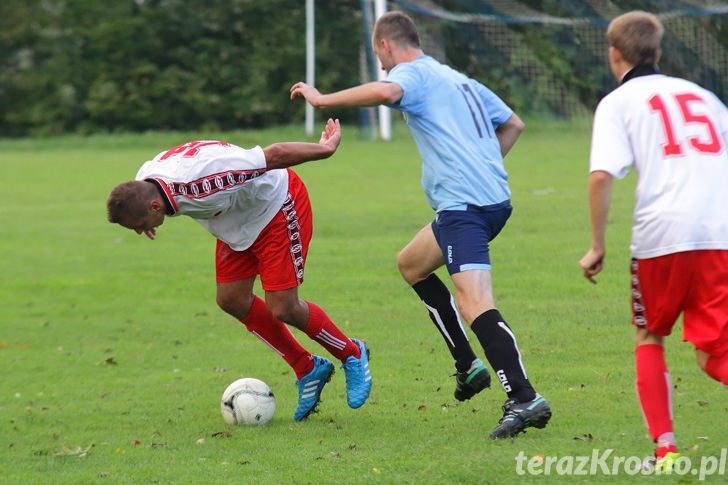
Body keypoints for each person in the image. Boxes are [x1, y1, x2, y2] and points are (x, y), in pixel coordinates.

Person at [290, 11, 550, 439]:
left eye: (380, 54)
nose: (382, 62)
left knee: (475, 304)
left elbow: (387, 90)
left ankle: (524, 397)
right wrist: (480, 167)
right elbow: (513, 123)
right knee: (412, 264)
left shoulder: (413, 76)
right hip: (487, 201)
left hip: (464, 208)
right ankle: (467, 366)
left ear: (387, 46)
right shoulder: (457, 78)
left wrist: (321, 99)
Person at [107, 119, 372, 421]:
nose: (141, 231)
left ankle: (351, 352)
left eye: (140, 226)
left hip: (275, 208)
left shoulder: (204, 182)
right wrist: (146, 225)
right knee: (231, 298)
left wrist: (324, 149)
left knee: (283, 306)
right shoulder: (146, 182)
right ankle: (307, 367)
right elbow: (136, 201)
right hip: (235, 222)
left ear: (155, 207)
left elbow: (275, 154)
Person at [579, 10, 728, 470]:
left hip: (662, 234)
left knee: (650, 333)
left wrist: (597, 245)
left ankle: (665, 451)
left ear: (614, 52)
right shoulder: (702, 96)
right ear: (656, 50)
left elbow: (602, 175)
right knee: (714, 352)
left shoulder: (618, 103)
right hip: (719, 231)